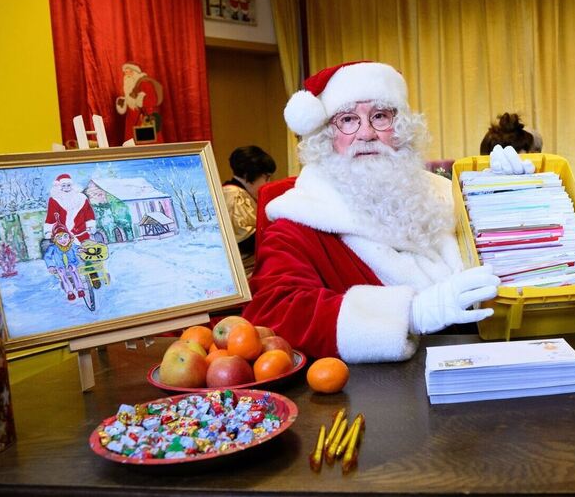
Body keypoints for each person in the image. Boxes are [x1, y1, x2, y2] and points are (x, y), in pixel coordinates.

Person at [243, 61, 532, 363]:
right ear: (327, 136)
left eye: (380, 116)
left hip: (484, 365)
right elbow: (273, 313)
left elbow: (519, 268)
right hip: (381, 395)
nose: (366, 133)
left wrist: (508, 197)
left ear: (401, 129)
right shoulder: (298, 219)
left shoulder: (447, 194)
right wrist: (410, 314)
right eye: (348, 120)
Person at [222, 145, 277, 276]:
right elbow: (246, 241)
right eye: (266, 177)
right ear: (248, 175)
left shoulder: (232, 192)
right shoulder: (235, 195)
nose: (268, 183)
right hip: (244, 272)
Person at [115, 62, 164, 144]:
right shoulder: (131, 86)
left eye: (129, 71)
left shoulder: (144, 83)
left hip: (143, 121)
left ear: (135, 72)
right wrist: (123, 101)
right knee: (133, 147)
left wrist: (140, 100)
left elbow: (150, 101)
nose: (126, 75)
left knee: (146, 148)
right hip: (132, 121)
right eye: (125, 72)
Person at [43, 174, 96, 244]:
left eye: (68, 185)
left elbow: (88, 212)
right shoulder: (54, 200)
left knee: (85, 250)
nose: (66, 188)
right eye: (63, 185)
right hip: (63, 234)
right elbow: (51, 216)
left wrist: (90, 225)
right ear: (58, 187)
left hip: (82, 231)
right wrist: (49, 231)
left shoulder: (81, 198)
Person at [43, 224, 86, 302]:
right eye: (59, 238)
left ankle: (80, 289)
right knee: (62, 274)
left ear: (69, 237)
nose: (63, 240)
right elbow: (47, 256)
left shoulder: (71, 245)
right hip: (60, 265)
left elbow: (76, 248)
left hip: (72, 263)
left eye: (65, 237)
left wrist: (79, 249)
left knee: (73, 270)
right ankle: (69, 292)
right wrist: (51, 266)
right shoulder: (53, 248)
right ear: (55, 240)